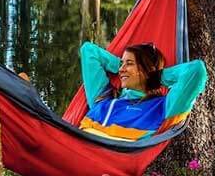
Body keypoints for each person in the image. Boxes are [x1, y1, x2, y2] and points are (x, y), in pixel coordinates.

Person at [78, 41, 207, 141]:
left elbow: (196, 70)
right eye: (122, 63)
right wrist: (124, 68)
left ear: (147, 70)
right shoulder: (103, 99)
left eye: (129, 63)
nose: (121, 69)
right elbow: (89, 51)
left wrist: (154, 76)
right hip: (78, 145)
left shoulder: (164, 107)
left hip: (110, 158)